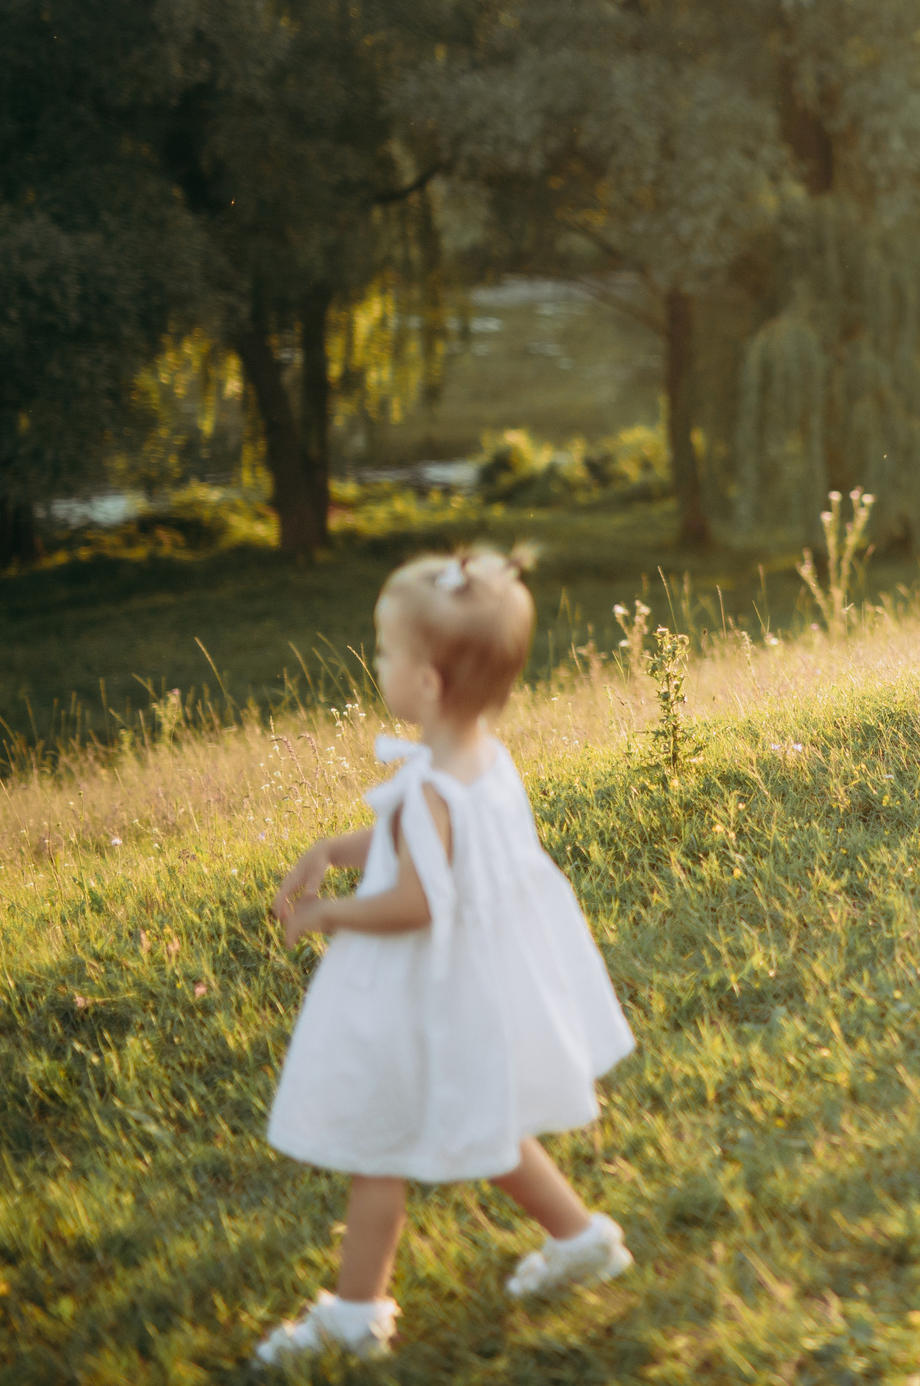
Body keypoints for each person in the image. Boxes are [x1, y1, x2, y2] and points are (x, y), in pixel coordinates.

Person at [254, 548, 637, 1364]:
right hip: (471, 982)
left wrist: (328, 913)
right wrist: (332, 845)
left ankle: (354, 1316)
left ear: (426, 683)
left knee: (377, 1146)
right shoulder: (477, 759)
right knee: (483, 1123)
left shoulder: (434, 783)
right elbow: (407, 840)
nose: (379, 663)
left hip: (420, 988)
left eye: (386, 651)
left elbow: (418, 899)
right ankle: (579, 1237)